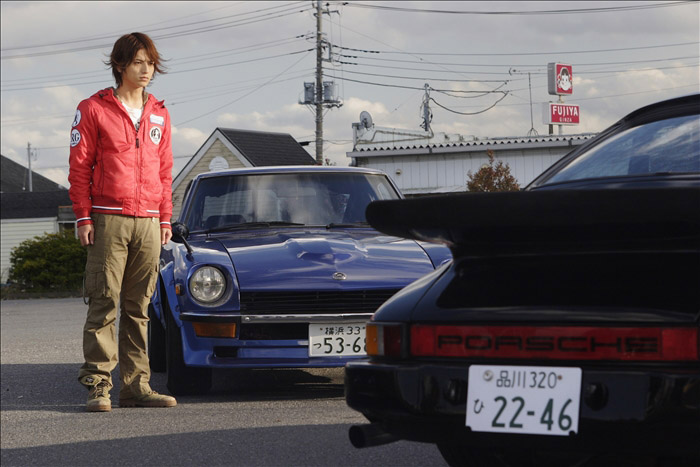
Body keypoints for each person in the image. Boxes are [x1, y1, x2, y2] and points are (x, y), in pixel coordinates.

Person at [68, 32, 176, 412]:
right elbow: (79, 167)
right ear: (120, 65)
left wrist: (165, 217)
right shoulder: (93, 109)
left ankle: (136, 387)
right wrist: (83, 216)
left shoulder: (160, 113)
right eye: (138, 62)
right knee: (104, 302)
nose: (146, 69)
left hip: (148, 220)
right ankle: (99, 385)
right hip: (107, 217)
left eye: (150, 63)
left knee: (139, 307)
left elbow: (165, 172)